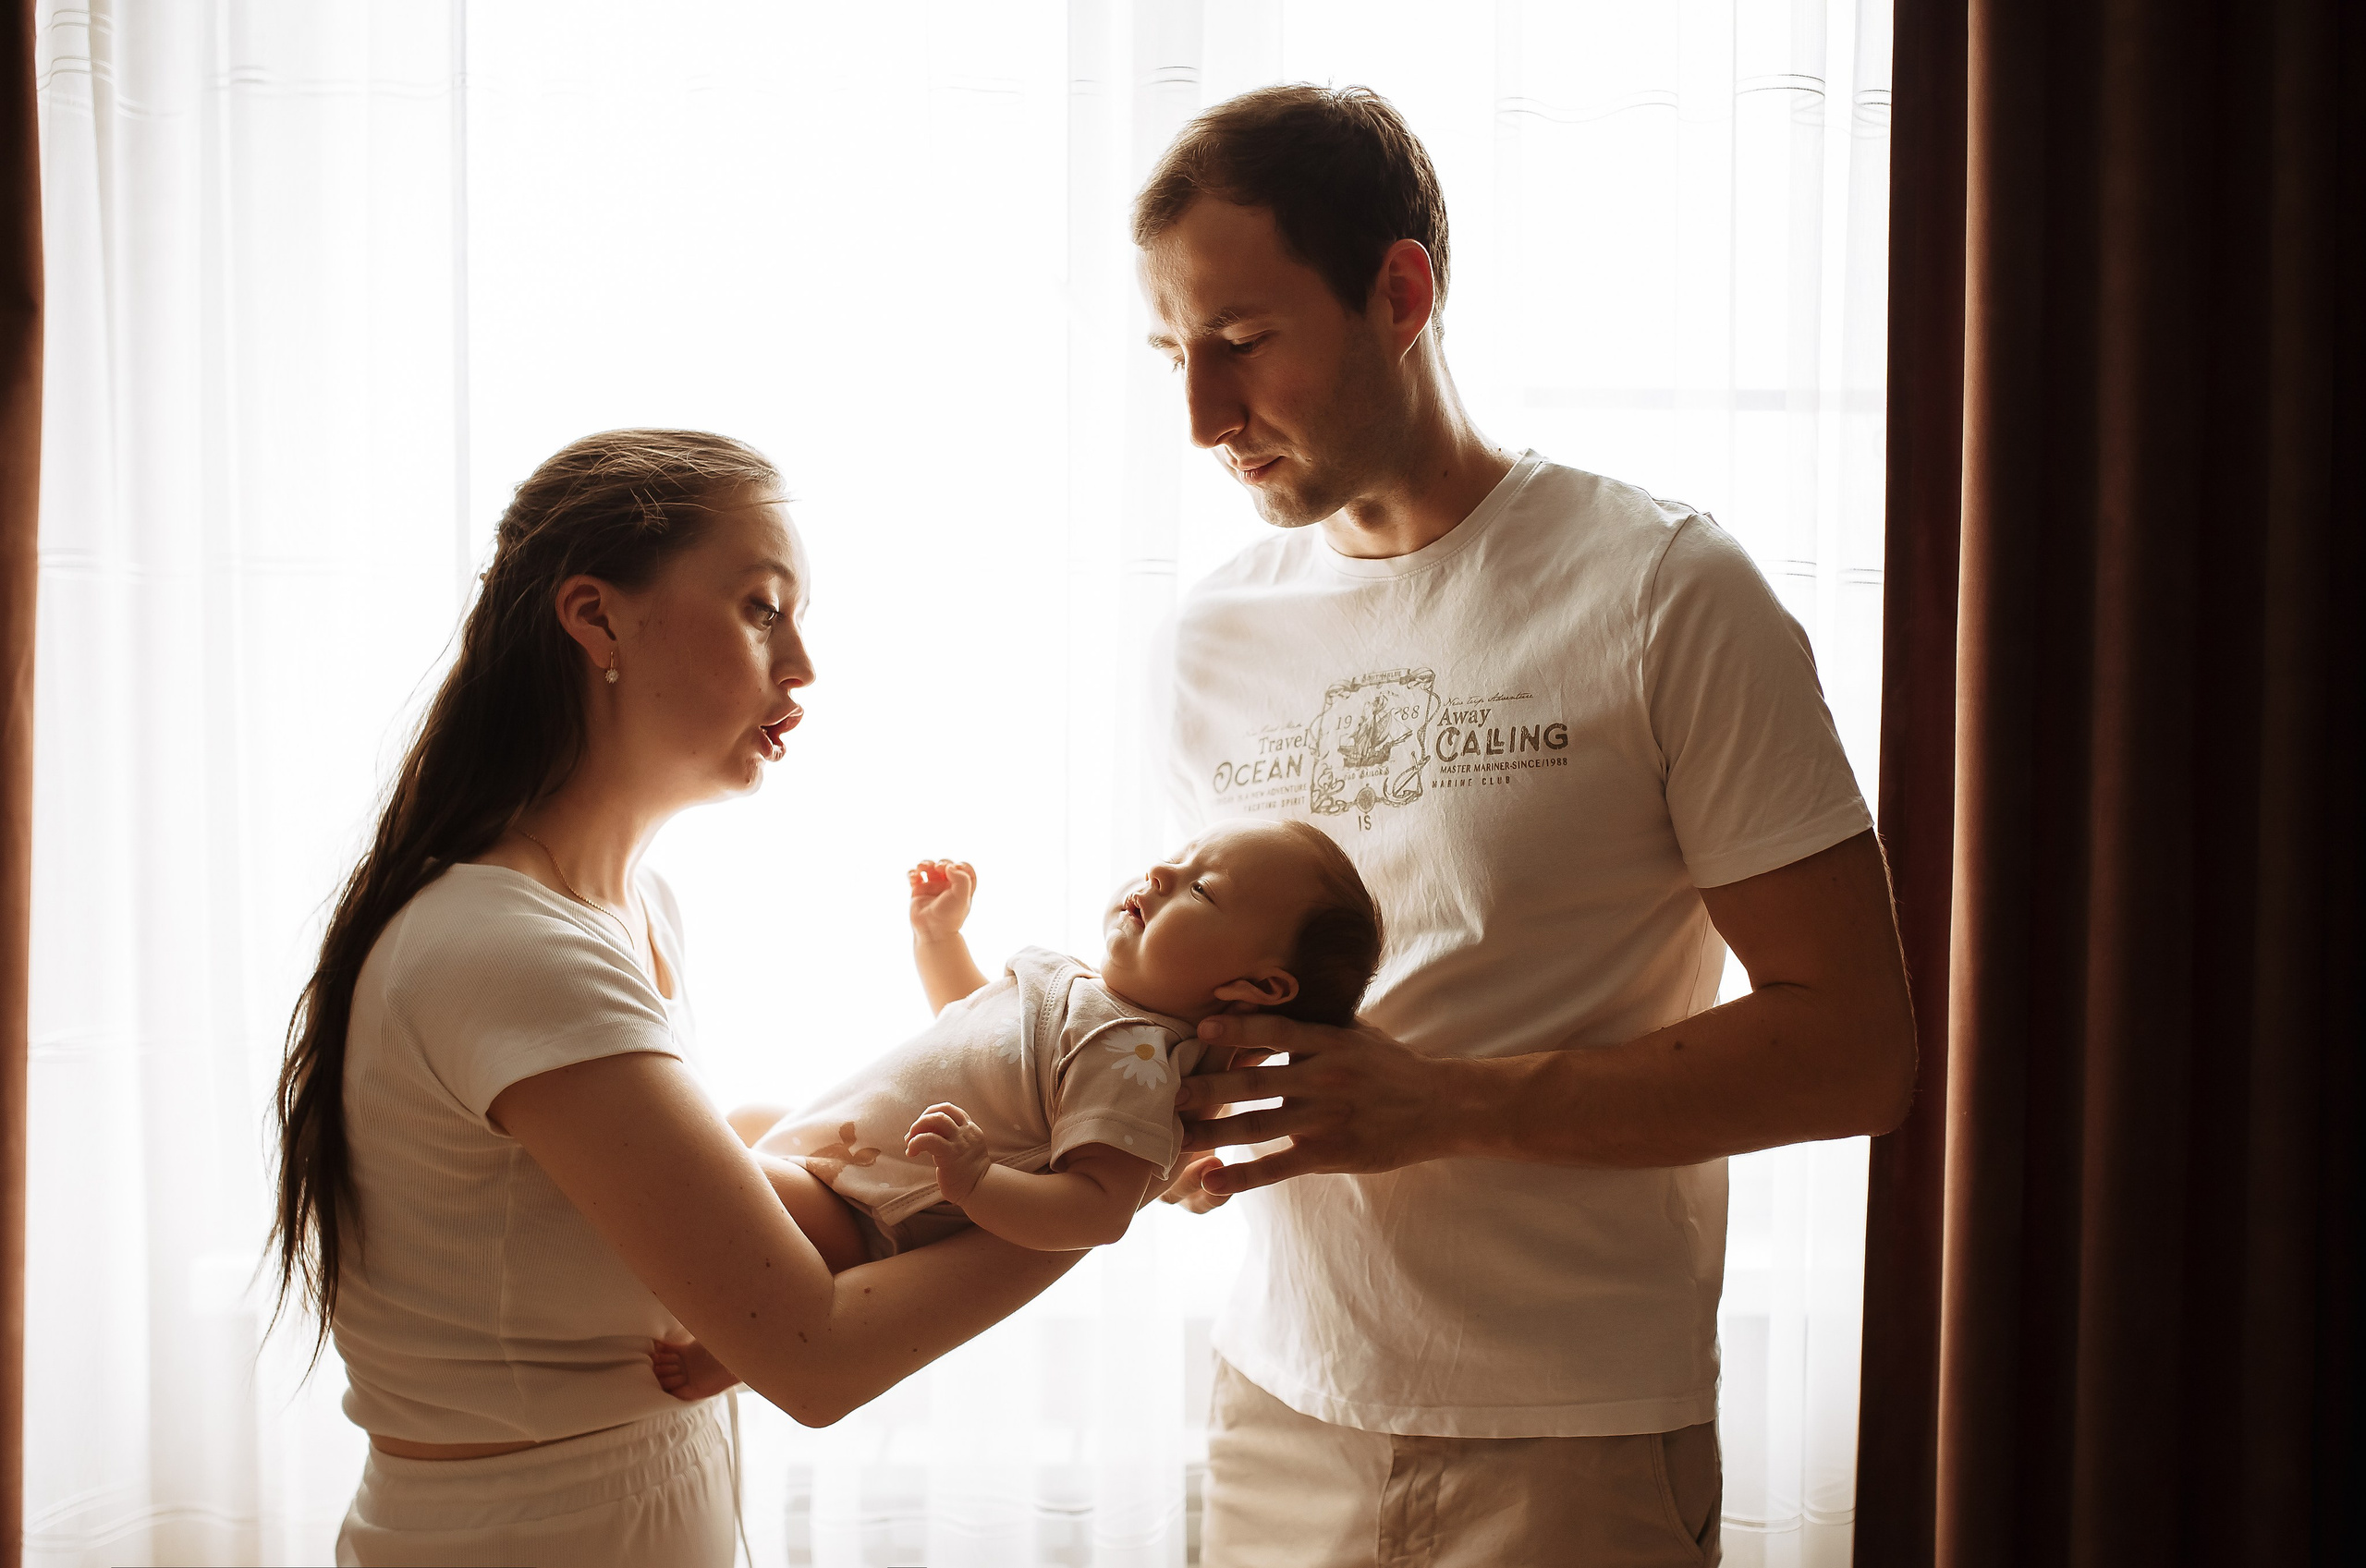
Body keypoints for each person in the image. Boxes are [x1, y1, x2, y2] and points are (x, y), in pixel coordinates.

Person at [1135, 87, 1919, 1566]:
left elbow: (1858, 1049)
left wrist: (1452, 1105)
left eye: (1240, 343)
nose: (1202, 417)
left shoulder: (1662, 588)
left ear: (1401, 291)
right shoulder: (1210, 642)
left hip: (1577, 1446)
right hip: (1276, 1407)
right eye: (1175, 355)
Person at [269, 430, 1085, 1568]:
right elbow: (814, 1357)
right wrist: (1101, 1189)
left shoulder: (633, 911)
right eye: (762, 607)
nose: (801, 664)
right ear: (596, 619)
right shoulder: (503, 943)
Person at [648, 820, 1385, 1403]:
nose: (1161, 873)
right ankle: (729, 1338)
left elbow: (1098, 1208)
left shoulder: (1137, 1063)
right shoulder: (1078, 991)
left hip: (862, 1208)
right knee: (745, 1120)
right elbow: (970, 1035)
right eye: (1176, 856)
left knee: (722, 1175)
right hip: (843, 1152)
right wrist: (940, 940)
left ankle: (727, 1355)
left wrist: (977, 1180)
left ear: (1259, 987)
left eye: (1202, 889)